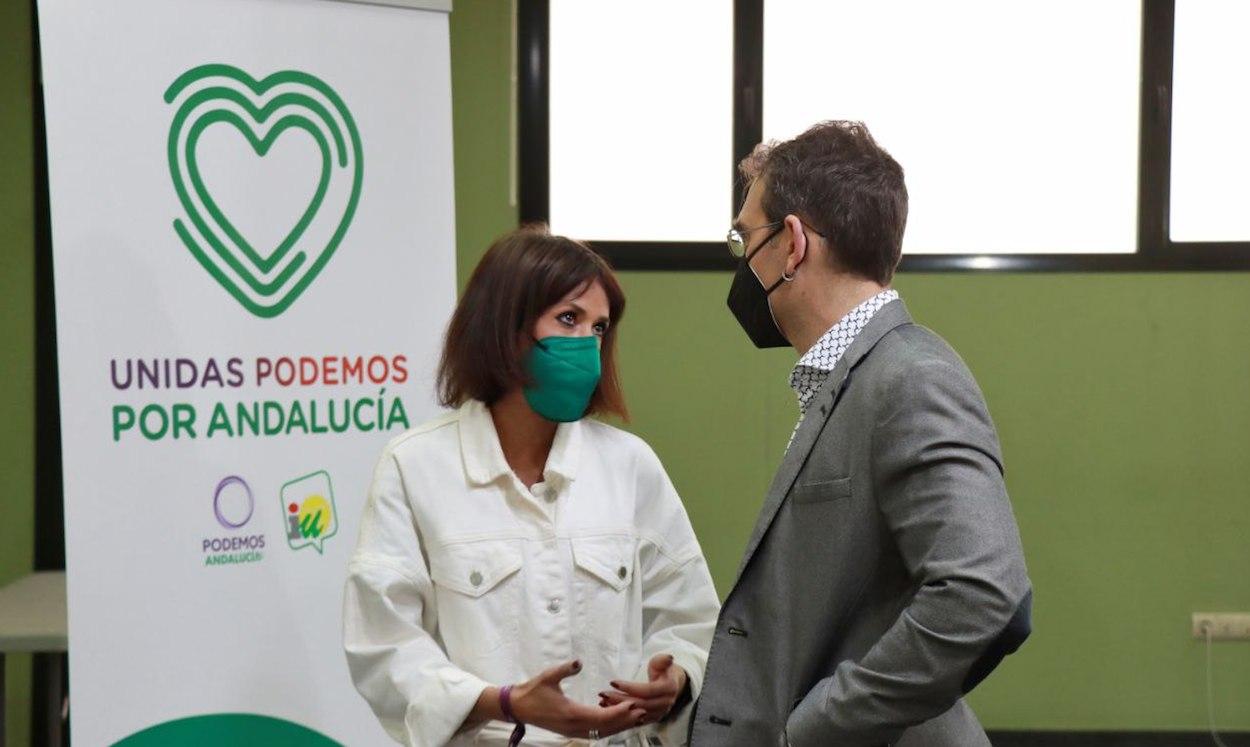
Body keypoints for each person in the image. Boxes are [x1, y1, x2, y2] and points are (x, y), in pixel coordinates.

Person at [688, 121, 1033, 747]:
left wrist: (821, 726)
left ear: (791, 243)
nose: (743, 265)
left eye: (747, 242)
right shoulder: (853, 376)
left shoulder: (912, 378)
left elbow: (985, 595)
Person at [343, 227, 720, 747]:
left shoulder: (630, 466)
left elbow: (692, 618)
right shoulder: (414, 467)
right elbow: (383, 645)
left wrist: (673, 682)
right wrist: (504, 703)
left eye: (599, 327)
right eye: (569, 319)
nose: (588, 343)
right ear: (506, 326)